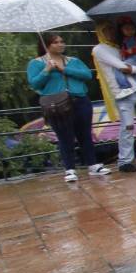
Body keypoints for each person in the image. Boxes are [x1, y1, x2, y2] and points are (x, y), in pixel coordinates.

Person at [27, 34, 109, 182]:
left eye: (62, 41)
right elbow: (34, 84)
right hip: (57, 103)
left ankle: (93, 165)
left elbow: (87, 75)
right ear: (47, 45)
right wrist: (47, 70)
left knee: (85, 134)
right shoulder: (36, 63)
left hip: (80, 100)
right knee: (64, 137)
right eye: (55, 42)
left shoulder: (73, 61)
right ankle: (70, 169)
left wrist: (64, 69)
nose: (60, 44)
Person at [92, 21, 136, 173]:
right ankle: (125, 160)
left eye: (112, 29)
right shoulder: (99, 49)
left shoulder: (121, 46)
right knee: (127, 126)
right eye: (106, 30)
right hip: (122, 91)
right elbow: (122, 67)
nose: (110, 33)